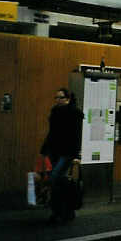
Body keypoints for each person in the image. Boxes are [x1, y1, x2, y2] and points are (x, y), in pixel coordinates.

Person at [41, 88, 83, 222]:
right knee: (58, 180)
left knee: (55, 177)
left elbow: (76, 135)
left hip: (68, 152)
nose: (58, 100)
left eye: (61, 97)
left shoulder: (74, 113)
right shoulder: (54, 112)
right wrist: (44, 148)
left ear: (68, 99)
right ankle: (62, 210)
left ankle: (61, 210)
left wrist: (77, 154)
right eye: (56, 97)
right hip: (55, 151)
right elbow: (52, 133)